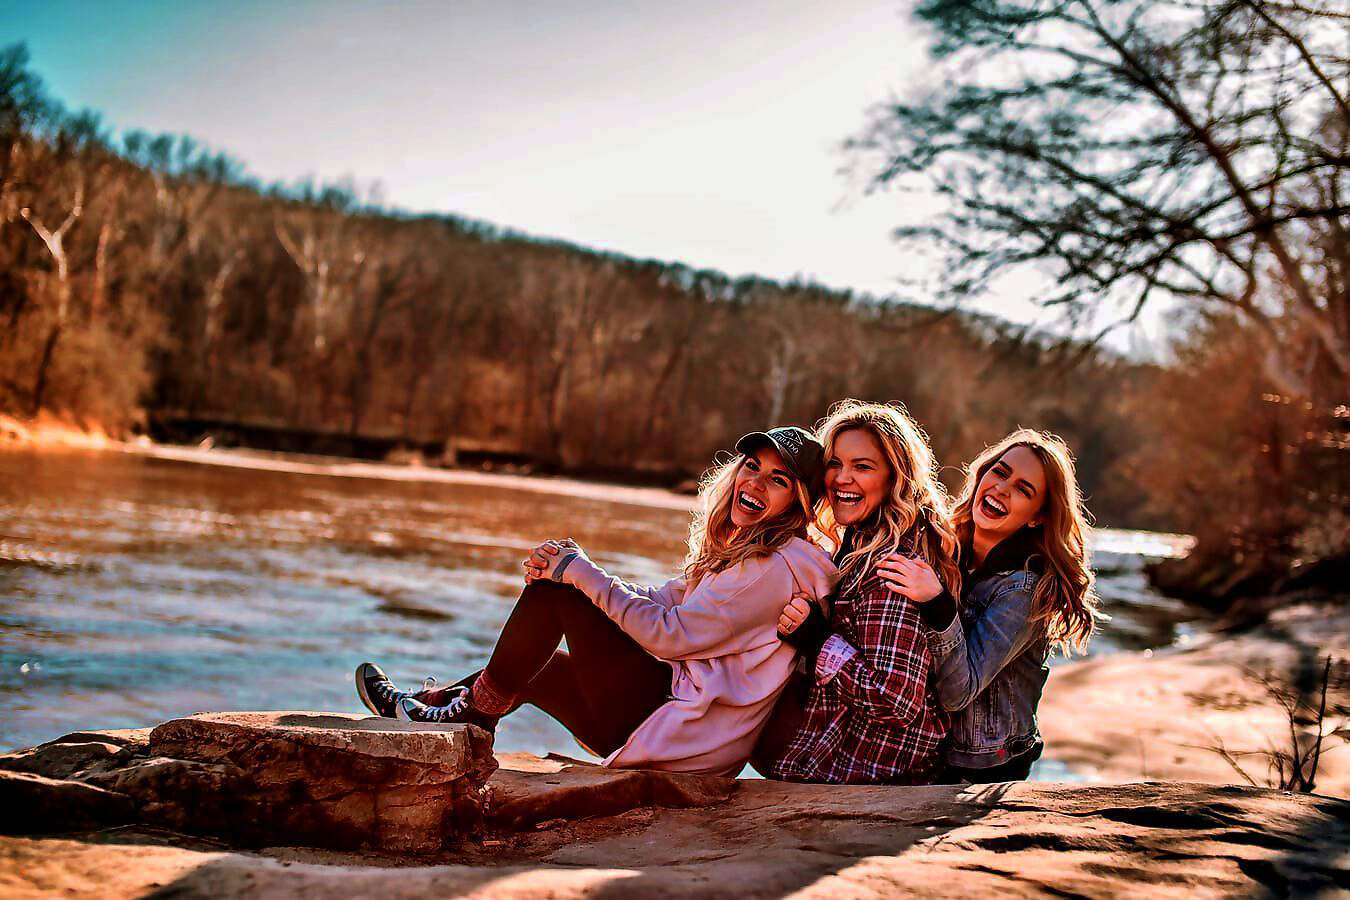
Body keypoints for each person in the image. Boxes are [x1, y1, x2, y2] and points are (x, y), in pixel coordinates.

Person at [355, 426, 838, 777]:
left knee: (556, 598)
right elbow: (663, 601)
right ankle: (432, 710)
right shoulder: (745, 552)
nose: (753, 483)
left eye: (777, 480)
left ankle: (465, 720)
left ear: (799, 502)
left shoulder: (773, 567)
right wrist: (577, 570)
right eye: (752, 467)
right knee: (542, 664)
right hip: (675, 724)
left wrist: (578, 576)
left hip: (682, 736)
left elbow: (670, 636)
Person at [871, 429, 1100, 783]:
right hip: (930, 751)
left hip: (983, 766)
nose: (1002, 489)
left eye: (1024, 490)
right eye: (1000, 472)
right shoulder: (947, 549)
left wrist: (937, 602)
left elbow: (957, 693)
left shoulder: (1023, 590)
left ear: (1037, 516)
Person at [764, 400, 961, 784]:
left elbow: (896, 701)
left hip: (867, 775)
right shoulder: (856, 547)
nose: (841, 478)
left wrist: (817, 641)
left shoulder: (891, 567)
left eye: (863, 467)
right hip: (837, 755)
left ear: (894, 478)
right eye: (835, 464)